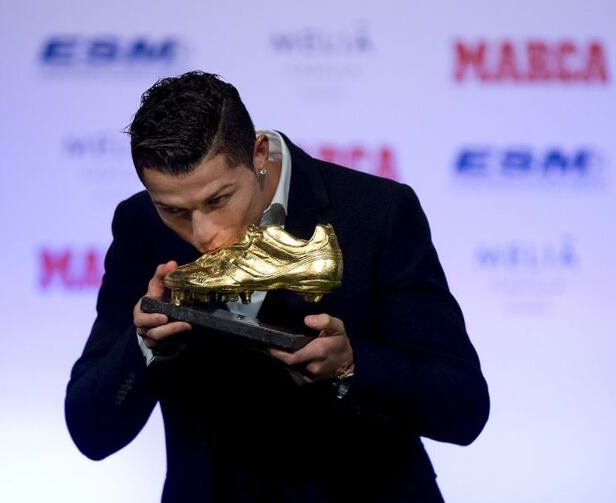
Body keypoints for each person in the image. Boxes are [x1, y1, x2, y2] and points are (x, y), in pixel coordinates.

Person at [65, 71, 489, 502]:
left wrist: (350, 364)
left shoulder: (377, 213)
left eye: (218, 200)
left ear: (258, 154)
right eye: (174, 211)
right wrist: (144, 345)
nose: (203, 234)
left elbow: (464, 406)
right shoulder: (140, 224)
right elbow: (91, 432)